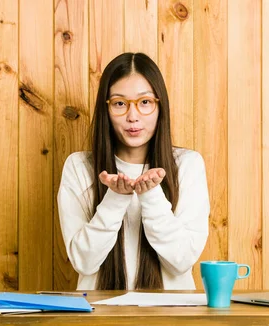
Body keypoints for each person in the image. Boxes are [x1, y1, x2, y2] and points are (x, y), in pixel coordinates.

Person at [58, 52, 210, 290]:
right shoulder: (78, 167)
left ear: (160, 106)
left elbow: (181, 260)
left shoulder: (188, 164)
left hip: (172, 317)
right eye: (120, 103)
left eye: (145, 103)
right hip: (98, 318)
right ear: (106, 109)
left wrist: (151, 197)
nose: (132, 116)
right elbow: (83, 262)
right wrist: (115, 199)